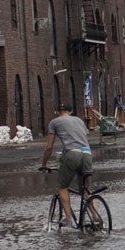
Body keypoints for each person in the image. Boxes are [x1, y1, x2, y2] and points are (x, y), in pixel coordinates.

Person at [38, 97, 94, 226]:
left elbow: (49, 147)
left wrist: (44, 164)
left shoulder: (54, 122)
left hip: (72, 154)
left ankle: (68, 219)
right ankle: (96, 218)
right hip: (87, 153)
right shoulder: (79, 121)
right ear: (71, 111)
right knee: (86, 190)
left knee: (63, 187)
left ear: (58, 111)